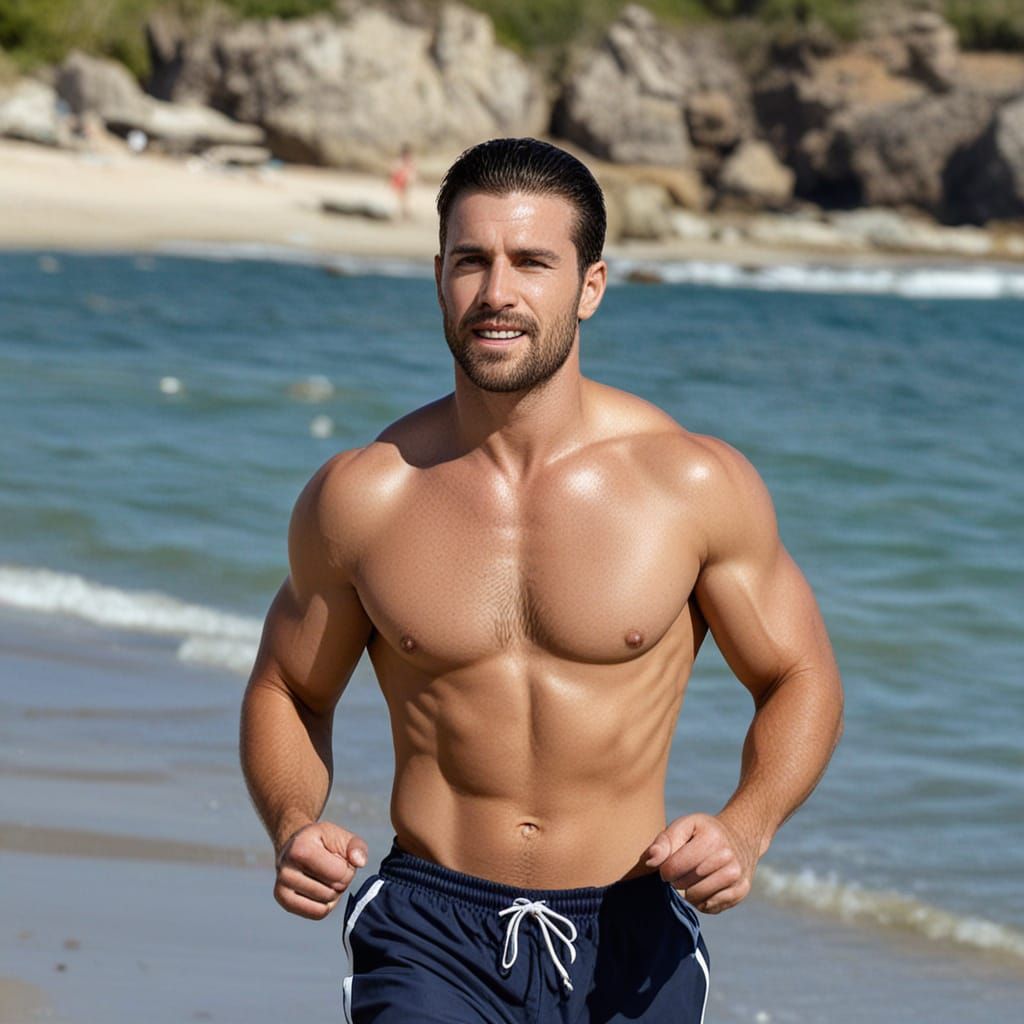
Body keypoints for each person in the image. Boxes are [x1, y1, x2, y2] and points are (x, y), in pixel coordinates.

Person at [241, 137, 843, 1023]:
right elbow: (290, 686)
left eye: (532, 262)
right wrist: (294, 821)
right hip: (428, 931)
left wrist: (743, 829)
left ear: (590, 286)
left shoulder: (691, 484)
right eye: (470, 262)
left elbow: (800, 676)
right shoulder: (363, 495)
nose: (497, 294)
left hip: (632, 930)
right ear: (437, 274)